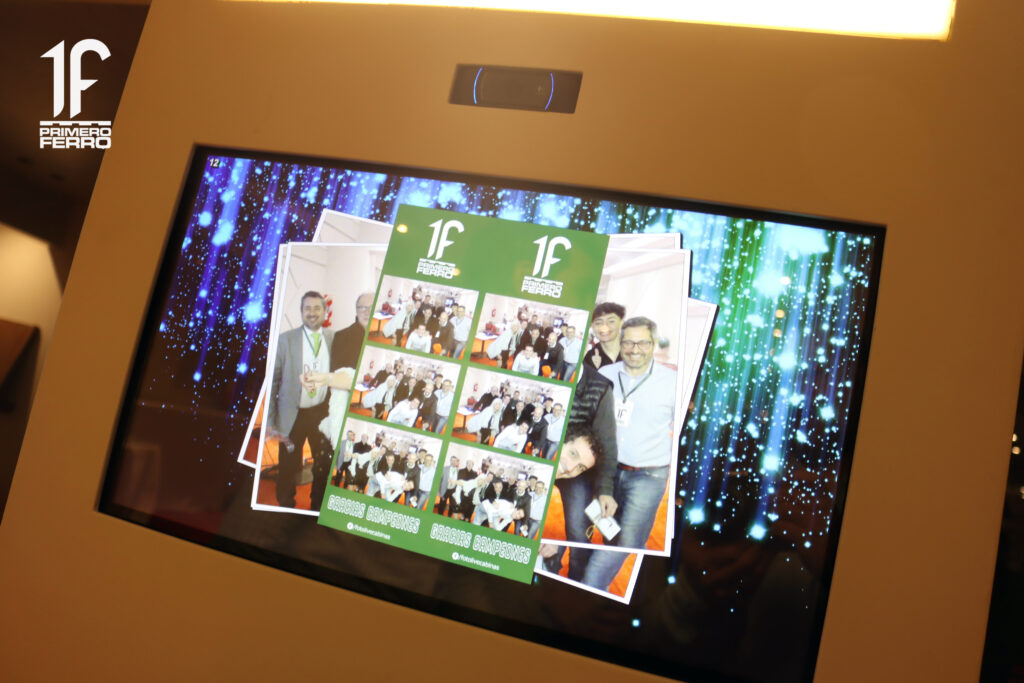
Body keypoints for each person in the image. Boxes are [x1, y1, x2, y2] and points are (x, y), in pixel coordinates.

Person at [583, 316, 677, 590]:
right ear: (620, 343)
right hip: (605, 473)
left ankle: (589, 590)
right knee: (608, 530)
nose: (635, 349)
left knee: (627, 541)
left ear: (654, 343)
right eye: (628, 342)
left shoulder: (672, 382)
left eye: (642, 343)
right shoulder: (605, 375)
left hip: (648, 476)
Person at [546, 365, 618, 581]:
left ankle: (576, 581)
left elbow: (607, 445)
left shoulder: (601, 387)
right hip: (549, 450)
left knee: (578, 531)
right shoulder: (545, 369)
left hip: (578, 461)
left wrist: (605, 490)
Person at [267, 291, 334, 510]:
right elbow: (273, 381)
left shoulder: (333, 339)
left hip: (321, 414)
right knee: (288, 464)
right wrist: (270, 420)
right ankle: (285, 504)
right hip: (292, 414)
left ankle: (317, 505)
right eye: (307, 308)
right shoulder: (285, 340)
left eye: (317, 308)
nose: (312, 313)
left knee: (323, 462)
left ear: (325, 311)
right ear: (301, 311)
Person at [331, 292, 373, 370]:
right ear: (356, 311)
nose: (367, 312)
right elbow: (336, 373)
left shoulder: (385, 336)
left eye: (371, 307)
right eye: (363, 308)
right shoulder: (341, 337)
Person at [585, 302, 625, 370]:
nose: (604, 327)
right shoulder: (588, 357)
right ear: (592, 326)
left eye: (611, 321)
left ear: (621, 323)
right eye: (598, 323)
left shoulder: (633, 350)